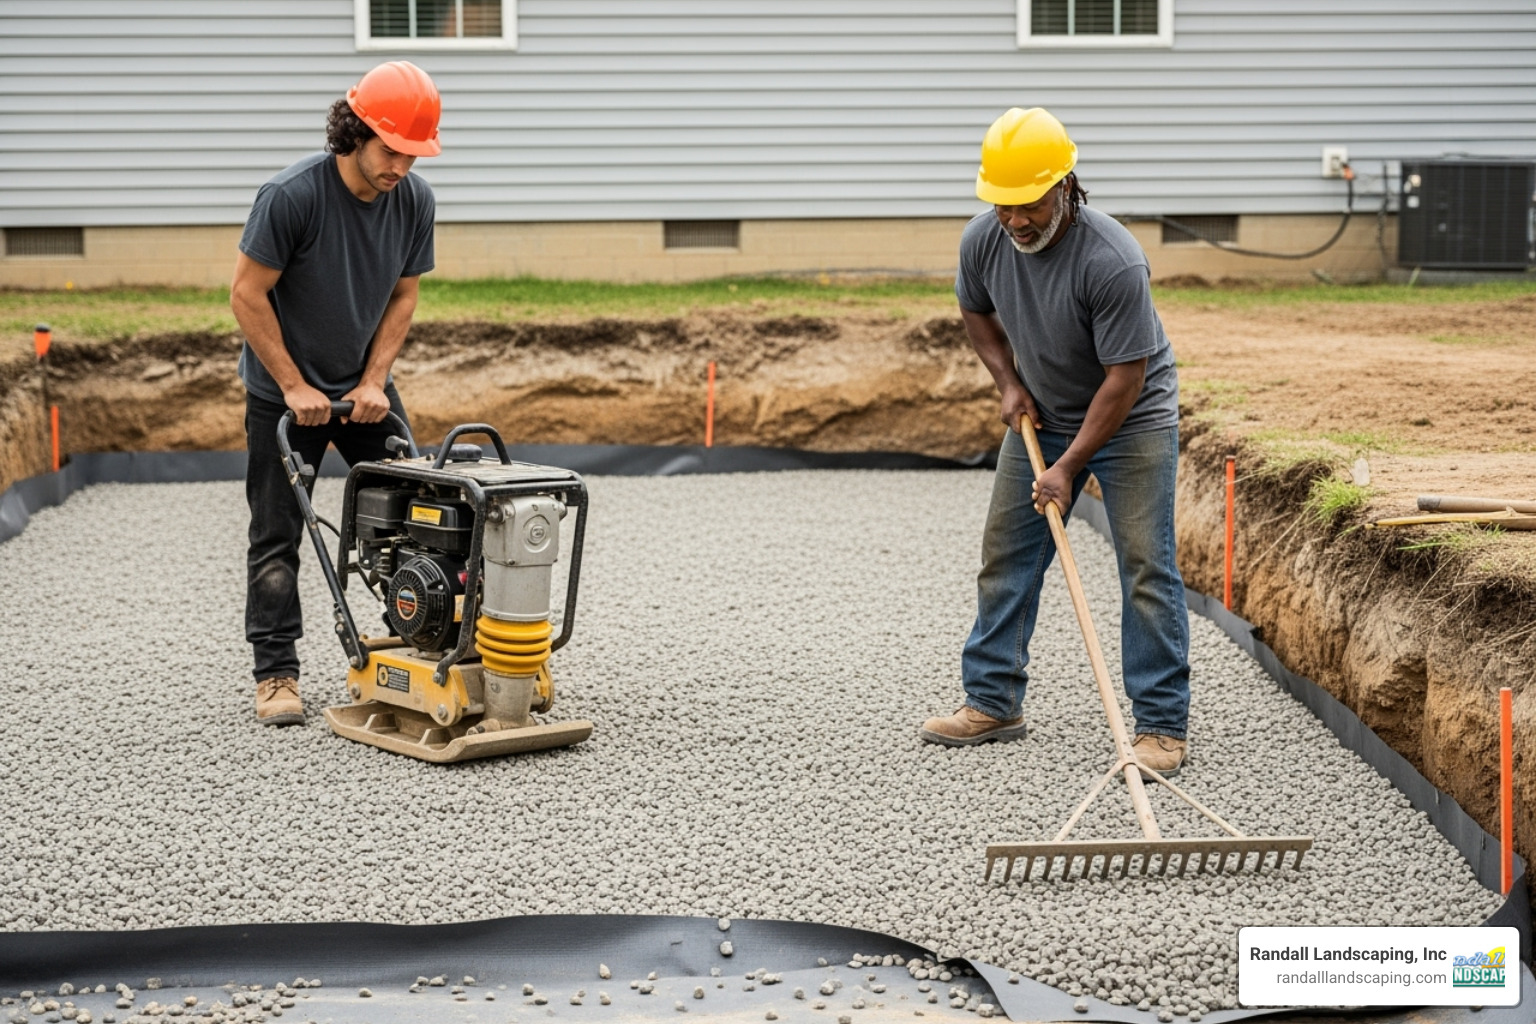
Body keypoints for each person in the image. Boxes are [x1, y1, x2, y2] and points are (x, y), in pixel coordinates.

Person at [919, 107, 1191, 775]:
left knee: (1145, 567)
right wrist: (1009, 383)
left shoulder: (1114, 260)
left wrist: (1069, 466)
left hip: (1133, 419)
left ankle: (1160, 725)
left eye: (1030, 204)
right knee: (1007, 554)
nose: (1016, 221)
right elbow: (974, 311)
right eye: (1003, 205)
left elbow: (1126, 379)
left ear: (1067, 186)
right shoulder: (983, 240)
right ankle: (993, 700)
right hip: (1042, 412)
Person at [230, 61, 440, 726]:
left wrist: (374, 380)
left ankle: (421, 642)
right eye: (391, 151)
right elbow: (246, 294)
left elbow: (404, 294)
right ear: (355, 131)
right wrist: (293, 385)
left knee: (422, 513)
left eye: (413, 154)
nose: (400, 168)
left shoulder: (414, 200)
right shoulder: (291, 196)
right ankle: (276, 674)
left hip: (362, 389)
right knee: (277, 534)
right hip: (283, 395)